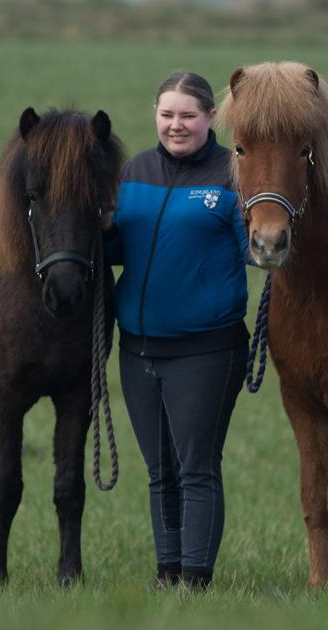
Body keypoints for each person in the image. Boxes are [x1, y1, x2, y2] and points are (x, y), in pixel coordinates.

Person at [103, 72, 251, 590]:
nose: (176, 125)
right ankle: (167, 575)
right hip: (138, 347)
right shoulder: (134, 170)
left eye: (188, 115)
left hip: (207, 349)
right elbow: (116, 249)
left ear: (211, 118)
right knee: (159, 470)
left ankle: (196, 581)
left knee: (195, 469)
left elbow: (260, 252)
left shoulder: (234, 174)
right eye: (167, 114)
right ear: (155, 115)